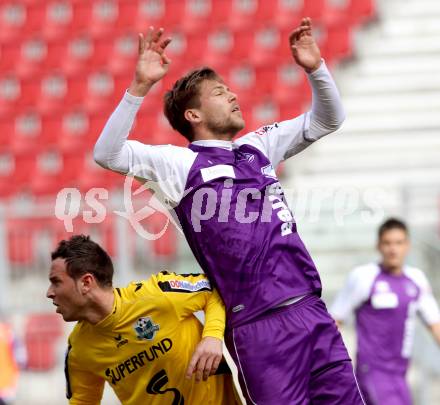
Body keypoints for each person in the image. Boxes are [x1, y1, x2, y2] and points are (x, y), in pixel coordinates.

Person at [94, 18, 364, 403]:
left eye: (229, 89)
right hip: (258, 328)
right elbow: (107, 153)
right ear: (193, 116)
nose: (233, 96)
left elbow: (328, 119)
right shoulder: (179, 166)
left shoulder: (258, 146)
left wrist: (315, 69)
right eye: (220, 93)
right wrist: (139, 87)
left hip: (311, 310)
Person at [46, 235, 240, 405]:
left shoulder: (156, 295)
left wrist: (213, 337)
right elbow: (83, 401)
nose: (49, 293)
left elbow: (211, 289)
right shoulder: (79, 349)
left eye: (56, 282)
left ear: (86, 283)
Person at [331, 218, 440, 405]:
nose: (393, 249)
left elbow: (435, 324)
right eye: (387, 243)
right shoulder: (364, 277)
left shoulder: (416, 279)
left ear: (408, 246)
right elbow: (335, 320)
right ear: (378, 246)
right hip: (372, 371)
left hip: (400, 373)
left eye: (399, 243)